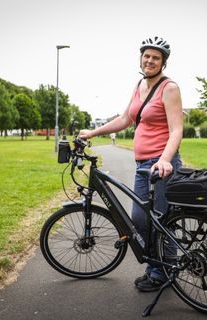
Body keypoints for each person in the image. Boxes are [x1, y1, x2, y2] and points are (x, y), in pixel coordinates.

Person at [79, 36, 183, 292]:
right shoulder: (140, 85)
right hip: (142, 165)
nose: (150, 60)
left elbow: (176, 130)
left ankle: (162, 271)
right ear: (140, 58)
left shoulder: (169, 88)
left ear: (163, 63)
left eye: (155, 57)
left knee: (160, 220)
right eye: (146, 56)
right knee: (140, 218)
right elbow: (126, 118)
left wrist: (165, 160)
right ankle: (160, 266)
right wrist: (93, 133)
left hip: (160, 166)